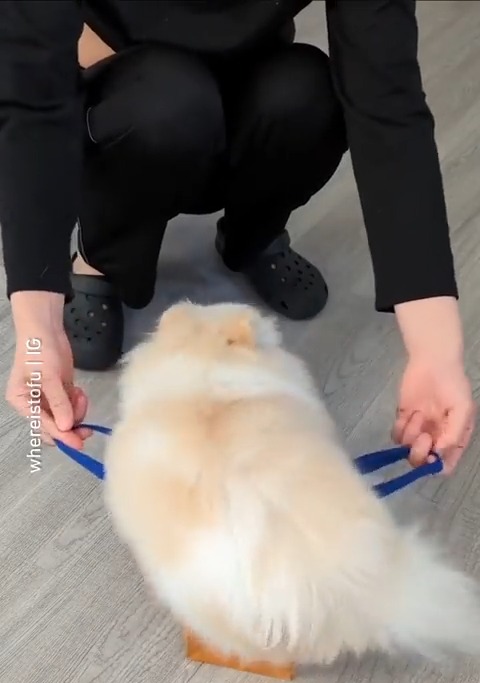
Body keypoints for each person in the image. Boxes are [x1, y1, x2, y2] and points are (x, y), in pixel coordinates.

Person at [0, 0, 475, 473]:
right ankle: (101, 258)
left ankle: (254, 234)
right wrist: (38, 329)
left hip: (253, 76)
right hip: (134, 100)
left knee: (307, 94)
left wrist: (435, 352)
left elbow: (387, 103)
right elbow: (33, 100)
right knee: (164, 101)